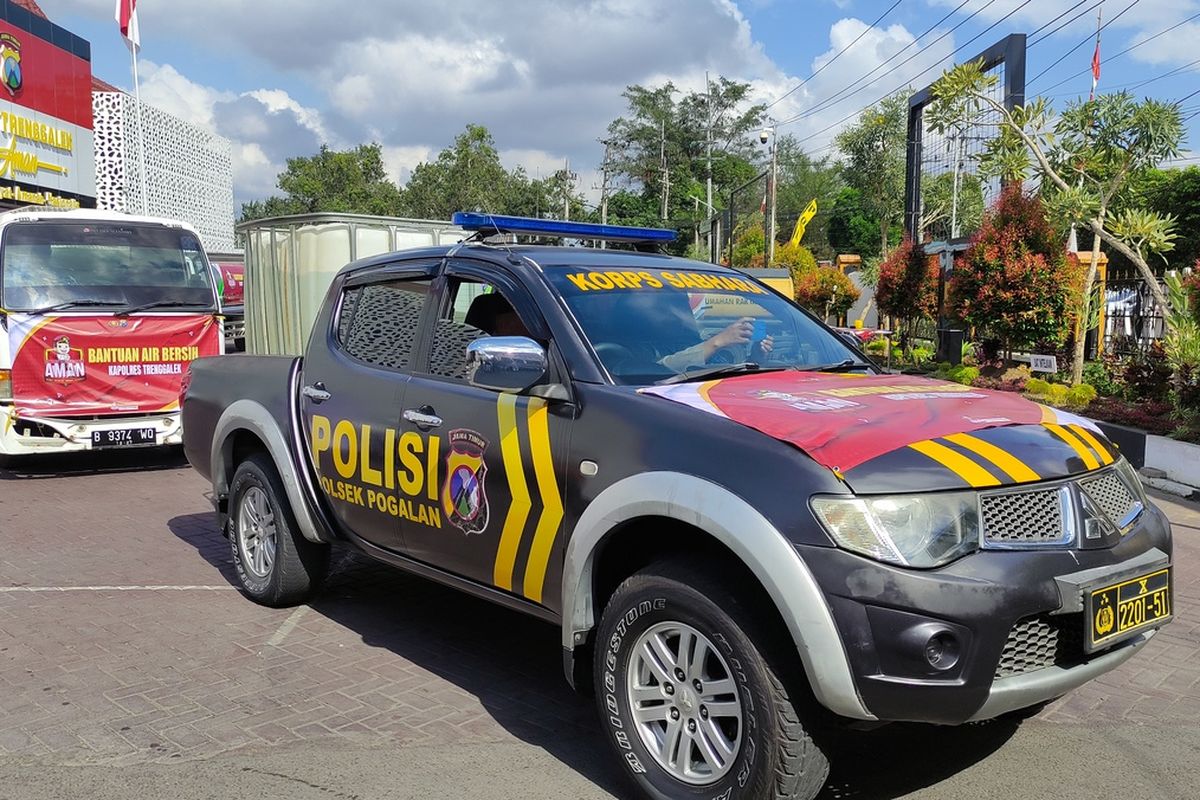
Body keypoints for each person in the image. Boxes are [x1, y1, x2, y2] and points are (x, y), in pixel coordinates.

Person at [658, 316, 773, 372]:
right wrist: (718, 341)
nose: (679, 316)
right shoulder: (652, 347)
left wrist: (756, 358)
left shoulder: (699, 337)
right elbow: (662, 369)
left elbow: (736, 371)